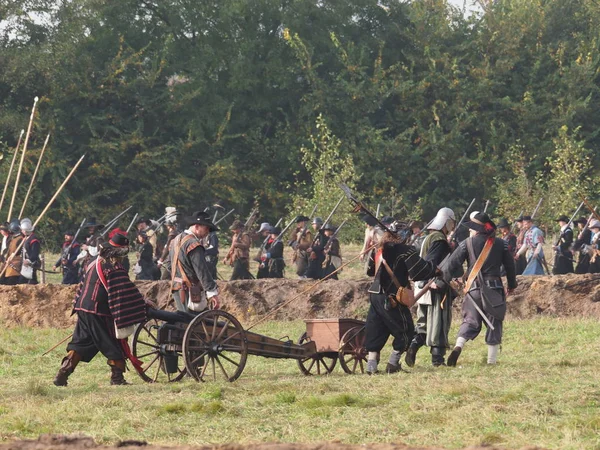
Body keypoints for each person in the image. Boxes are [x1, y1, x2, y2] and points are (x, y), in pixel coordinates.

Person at [53, 233, 148, 386]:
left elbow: (82, 286)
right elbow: (124, 292)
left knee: (80, 344)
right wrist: (143, 302)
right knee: (113, 343)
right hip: (98, 311)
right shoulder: (115, 268)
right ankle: (117, 378)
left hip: (83, 308)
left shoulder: (92, 262)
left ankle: (63, 374)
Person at [443, 212, 517, 367]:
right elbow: (510, 267)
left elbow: (451, 264)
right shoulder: (501, 244)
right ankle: (491, 362)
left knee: (469, 321)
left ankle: (458, 346)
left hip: (473, 289)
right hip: (494, 288)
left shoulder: (467, 243)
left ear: (475, 228)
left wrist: (444, 280)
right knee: (494, 322)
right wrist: (511, 284)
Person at [365, 221, 439, 374]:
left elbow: (370, 271)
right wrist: (434, 269)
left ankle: (371, 366)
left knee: (377, 329)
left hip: (375, 295)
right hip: (392, 297)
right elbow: (419, 272)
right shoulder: (406, 250)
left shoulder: (379, 249)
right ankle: (393, 364)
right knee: (406, 330)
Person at [406, 207, 455, 367]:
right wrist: (435, 281)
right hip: (433, 285)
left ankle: (413, 345)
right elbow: (432, 262)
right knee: (438, 322)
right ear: (446, 222)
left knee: (423, 322)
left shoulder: (428, 237)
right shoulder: (440, 240)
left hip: (422, 285)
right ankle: (437, 359)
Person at [170, 211, 220, 313]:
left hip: (177, 287)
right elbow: (202, 271)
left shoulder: (176, 240)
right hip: (190, 291)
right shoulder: (194, 244)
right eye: (206, 228)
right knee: (197, 325)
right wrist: (212, 293)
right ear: (197, 226)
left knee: (185, 323)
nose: (208, 232)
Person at [19, 218, 41, 285]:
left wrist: (28, 260)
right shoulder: (26, 238)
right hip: (26, 264)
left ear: (25, 231)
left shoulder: (34, 240)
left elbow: (34, 253)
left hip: (31, 263)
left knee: (29, 281)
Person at [2, 220, 23, 285]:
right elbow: (8, 250)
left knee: (11, 283)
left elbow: (18, 253)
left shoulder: (20, 239)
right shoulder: (13, 238)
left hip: (15, 266)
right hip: (9, 264)